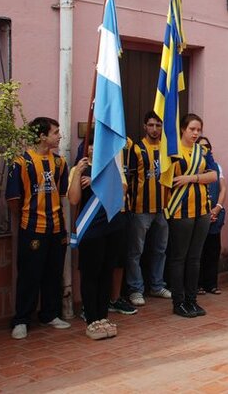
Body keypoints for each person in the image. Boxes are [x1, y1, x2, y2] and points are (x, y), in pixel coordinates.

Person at [6, 117, 71, 340]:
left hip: (57, 228)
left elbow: (62, 195)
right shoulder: (21, 163)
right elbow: (13, 200)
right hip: (32, 228)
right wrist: (29, 217)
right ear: (42, 136)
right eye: (55, 132)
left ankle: (50, 314)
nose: (59, 136)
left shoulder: (60, 163)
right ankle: (22, 320)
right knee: (29, 275)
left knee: (53, 273)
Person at [68, 141, 127, 339]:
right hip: (91, 229)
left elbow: (121, 192)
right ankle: (92, 320)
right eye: (90, 144)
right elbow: (74, 199)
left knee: (106, 272)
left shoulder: (111, 168)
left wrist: (95, 180)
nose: (93, 148)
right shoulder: (78, 168)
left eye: (97, 143)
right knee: (91, 273)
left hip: (113, 226)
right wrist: (78, 174)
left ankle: (103, 316)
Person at [166, 114, 217, 318]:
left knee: (195, 258)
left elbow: (213, 175)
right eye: (191, 129)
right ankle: (178, 301)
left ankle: (192, 299)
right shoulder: (172, 151)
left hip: (202, 210)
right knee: (179, 257)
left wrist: (191, 178)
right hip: (180, 210)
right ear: (182, 130)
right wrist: (199, 178)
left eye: (198, 130)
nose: (195, 133)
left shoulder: (203, 151)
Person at [126, 112, 172, 308]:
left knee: (160, 250)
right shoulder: (136, 149)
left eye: (158, 125)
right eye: (151, 125)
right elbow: (129, 179)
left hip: (163, 209)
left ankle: (156, 285)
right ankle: (135, 289)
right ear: (145, 126)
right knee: (135, 251)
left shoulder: (167, 150)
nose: (155, 129)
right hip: (140, 210)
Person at [197, 136, 226, 295]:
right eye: (200, 146)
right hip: (199, 214)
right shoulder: (193, 166)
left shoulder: (216, 167)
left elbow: (223, 188)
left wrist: (217, 208)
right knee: (198, 252)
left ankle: (211, 284)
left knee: (213, 250)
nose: (204, 149)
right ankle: (198, 284)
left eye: (206, 146)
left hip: (214, 214)